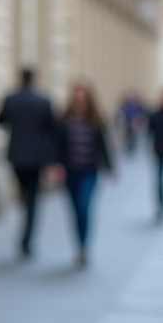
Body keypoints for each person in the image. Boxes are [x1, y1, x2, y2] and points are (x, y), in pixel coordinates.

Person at [0, 66, 58, 258]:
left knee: (24, 196)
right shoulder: (44, 100)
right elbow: (53, 130)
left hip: (17, 156)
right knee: (32, 200)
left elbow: (0, 121)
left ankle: (24, 233)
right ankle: (27, 239)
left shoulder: (11, 99)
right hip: (36, 157)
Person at [56, 83, 114, 267]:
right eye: (77, 97)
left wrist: (110, 168)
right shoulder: (65, 119)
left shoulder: (97, 120)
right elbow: (57, 145)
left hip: (90, 170)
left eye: (83, 97)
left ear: (89, 99)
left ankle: (85, 247)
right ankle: (79, 246)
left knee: (84, 206)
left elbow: (104, 146)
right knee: (74, 210)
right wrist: (55, 165)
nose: (80, 100)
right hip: (70, 171)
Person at [149, 90, 163, 222]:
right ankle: (160, 206)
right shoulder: (155, 115)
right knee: (159, 179)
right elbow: (150, 132)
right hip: (159, 150)